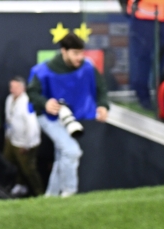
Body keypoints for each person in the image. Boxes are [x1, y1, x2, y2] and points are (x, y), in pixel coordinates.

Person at [28, 33, 109, 197]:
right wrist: (45, 103)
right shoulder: (42, 70)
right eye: (75, 53)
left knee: (63, 158)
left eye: (81, 52)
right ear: (64, 51)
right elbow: (32, 93)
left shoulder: (88, 67)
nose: (80, 57)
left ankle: (51, 198)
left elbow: (101, 88)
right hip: (48, 118)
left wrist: (102, 106)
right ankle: (69, 193)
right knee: (72, 151)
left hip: (70, 119)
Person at [3, 76, 43, 197]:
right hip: (12, 139)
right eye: (11, 87)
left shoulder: (27, 103)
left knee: (29, 170)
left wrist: (27, 145)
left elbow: (32, 127)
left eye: (15, 87)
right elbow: (9, 119)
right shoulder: (9, 99)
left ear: (23, 88)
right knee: (11, 163)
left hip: (26, 142)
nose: (12, 90)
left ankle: (40, 193)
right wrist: (7, 136)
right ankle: (20, 185)